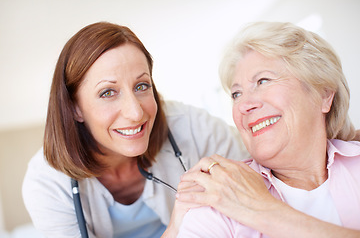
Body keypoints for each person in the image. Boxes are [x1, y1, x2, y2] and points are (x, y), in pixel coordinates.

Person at [22, 21, 249, 238]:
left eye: (141, 86)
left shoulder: (194, 127)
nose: (136, 113)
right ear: (74, 108)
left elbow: (256, 190)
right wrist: (175, 229)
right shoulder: (46, 183)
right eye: (108, 92)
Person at [176, 21, 360, 237]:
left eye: (263, 81)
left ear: (324, 95)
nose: (244, 105)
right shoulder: (217, 201)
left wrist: (265, 211)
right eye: (236, 94)